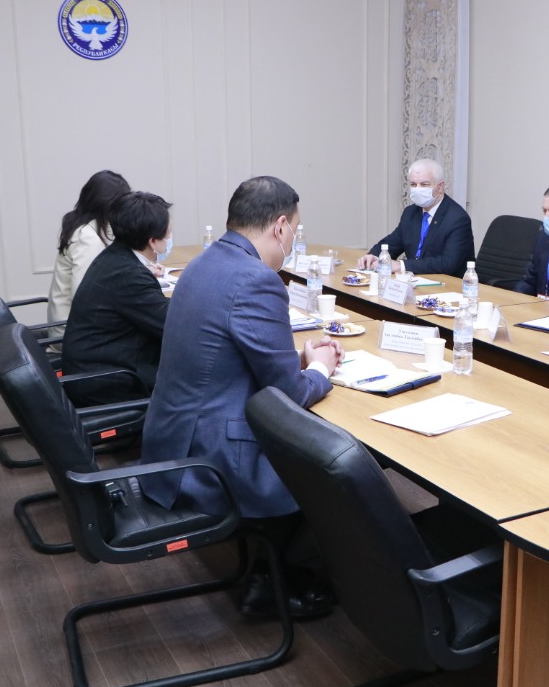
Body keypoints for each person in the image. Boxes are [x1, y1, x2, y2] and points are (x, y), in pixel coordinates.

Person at [140, 176, 343, 617]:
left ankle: (275, 570)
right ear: (281, 226)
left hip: (173, 439)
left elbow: (226, 351)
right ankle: (276, 581)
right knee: (337, 468)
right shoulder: (257, 280)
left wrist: (299, 358)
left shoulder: (204, 263)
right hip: (210, 457)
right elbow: (289, 394)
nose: (292, 240)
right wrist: (321, 370)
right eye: (295, 231)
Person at [61, 191, 173, 406]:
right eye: (168, 233)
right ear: (152, 241)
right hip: (108, 383)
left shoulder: (115, 256)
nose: (169, 237)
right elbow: (173, 325)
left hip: (94, 367)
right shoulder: (129, 275)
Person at [357, 158, 474, 276]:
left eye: (424, 184)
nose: (417, 189)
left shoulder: (457, 218)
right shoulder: (411, 212)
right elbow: (392, 243)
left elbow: (448, 263)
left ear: (440, 187)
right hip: (415, 281)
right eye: (413, 184)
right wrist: (373, 256)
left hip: (449, 283)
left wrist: (401, 265)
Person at [46, 170, 131, 331]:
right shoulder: (87, 239)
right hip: (74, 333)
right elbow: (87, 297)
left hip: (71, 325)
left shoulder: (83, 226)